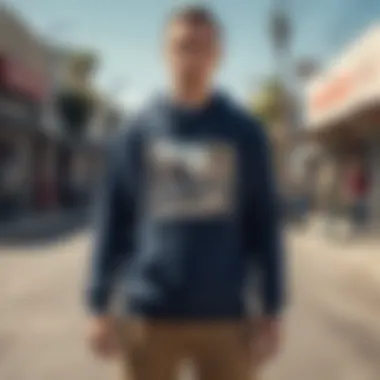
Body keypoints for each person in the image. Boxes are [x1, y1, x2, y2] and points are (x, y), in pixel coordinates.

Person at [86, 5, 285, 380]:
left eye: (202, 46)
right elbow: (112, 220)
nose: (191, 56)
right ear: (165, 52)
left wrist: (271, 308)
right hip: (148, 317)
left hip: (226, 320)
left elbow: (263, 224)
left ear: (218, 56)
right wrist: (99, 305)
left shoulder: (244, 133)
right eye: (182, 45)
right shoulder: (136, 132)